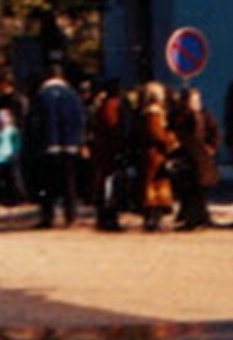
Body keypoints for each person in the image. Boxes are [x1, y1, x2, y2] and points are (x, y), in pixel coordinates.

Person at [29, 61, 85, 227]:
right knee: (70, 182)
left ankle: (48, 216)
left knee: (47, 183)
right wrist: (79, 141)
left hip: (47, 145)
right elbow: (80, 119)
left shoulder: (41, 95)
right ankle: (71, 216)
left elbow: (35, 123)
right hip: (70, 145)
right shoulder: (72, 95)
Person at [171, 87, 221, 230]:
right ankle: (192, 218)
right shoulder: (180, 115)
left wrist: (211, 147)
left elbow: (215, 132)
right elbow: (175, 131)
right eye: (191, 100)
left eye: (196, 100)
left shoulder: (205, 115)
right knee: (188, 189)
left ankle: (198, 218)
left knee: (199, 189)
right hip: (186, 156)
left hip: (201, 158)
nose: (194, 103)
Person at [137, 81, 178, 232]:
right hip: (155, 154)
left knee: (154, 185)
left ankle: (154, 218)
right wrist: (170, 140)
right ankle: (153, 219)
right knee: (154, 185)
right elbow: (156, 133)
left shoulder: (146, 112)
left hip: (153, 154)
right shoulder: (153, 113)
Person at [88, 80, 128, 231]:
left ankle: (107, 216)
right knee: (110, 185)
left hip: (105, 151)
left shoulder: (105, 106)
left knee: (107, 184)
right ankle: (108, 217)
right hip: (110, 152)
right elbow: (113, 129)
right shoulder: (112, 107)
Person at [0, 107, 23, 204]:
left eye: (3, 117)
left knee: (14, 179)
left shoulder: (13, 131)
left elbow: (17, 144)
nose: (0, 120)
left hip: (10, 158)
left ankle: (17, 198)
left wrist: (14, 153)